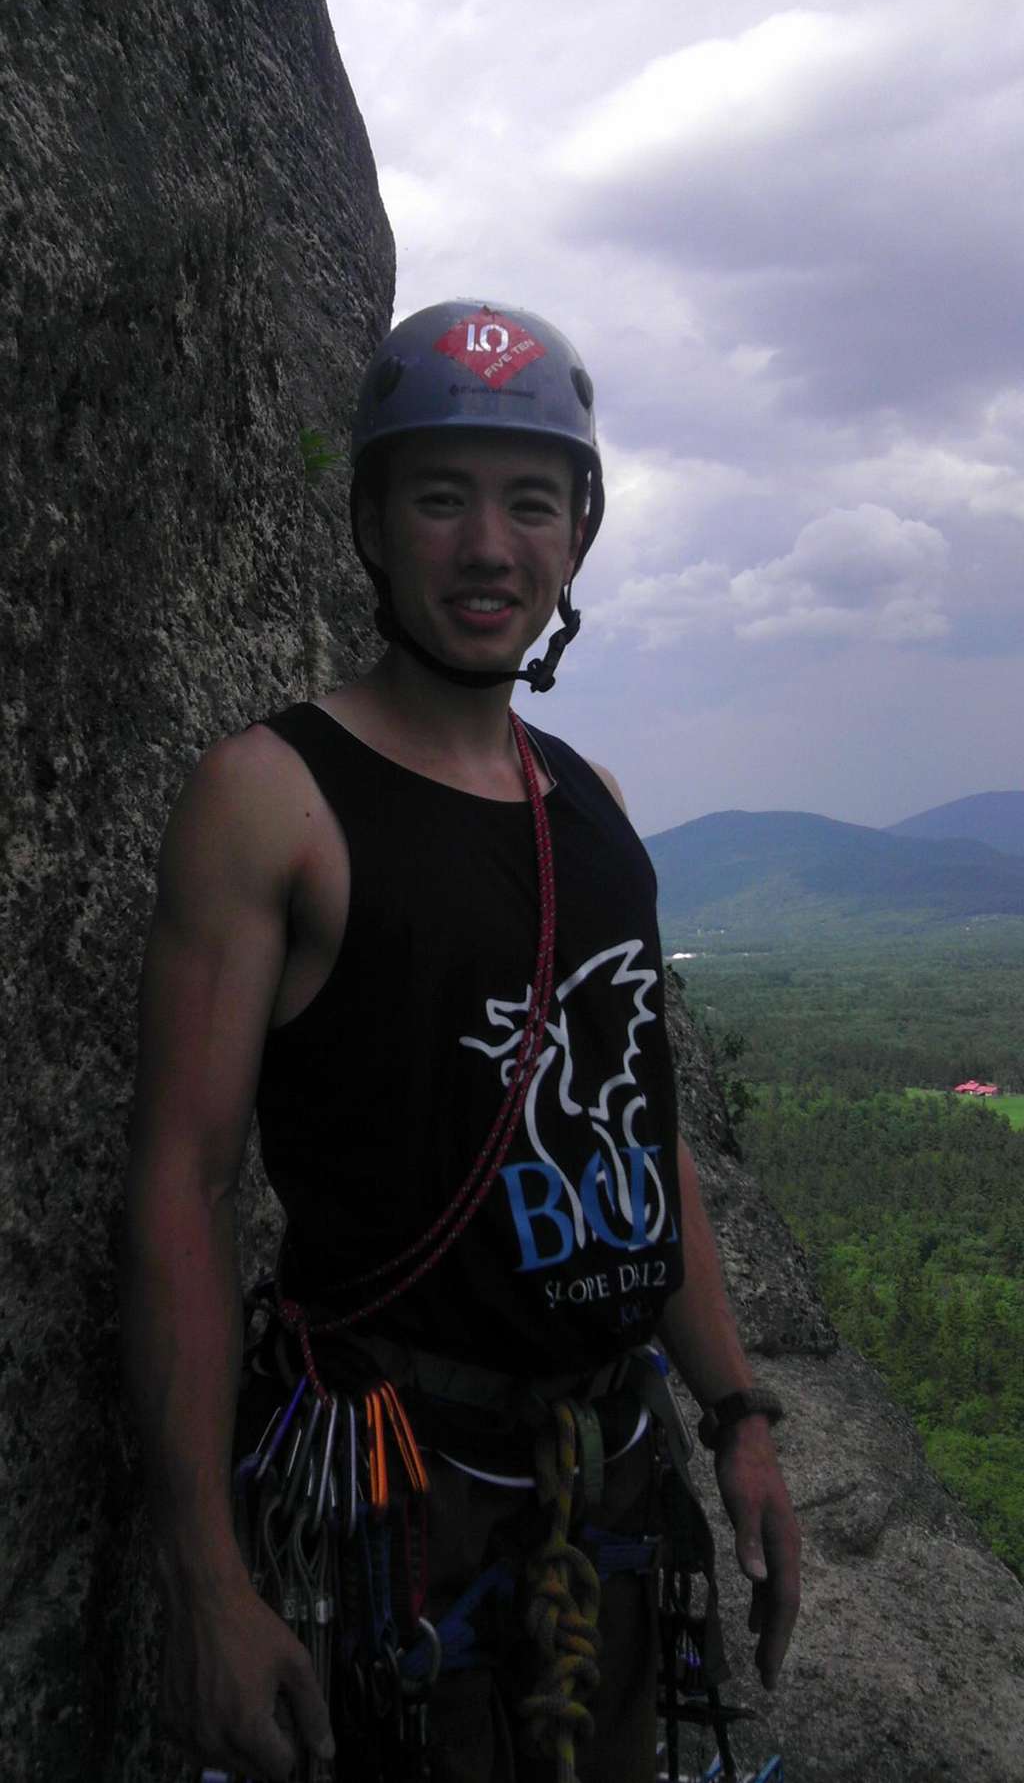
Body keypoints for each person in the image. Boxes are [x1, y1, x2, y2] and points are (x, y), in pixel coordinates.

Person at [122, 300, 800, 1783]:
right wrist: (207, 1583)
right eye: (442, 497)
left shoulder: (593, 804)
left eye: (530, 501)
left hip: (607, 1484)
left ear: (577, 536)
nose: (489, 545)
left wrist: (736, 1413)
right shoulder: (272, 798)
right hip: (399, 1498)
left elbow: (640, 1145)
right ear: (373, 519)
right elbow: (179, 1182)